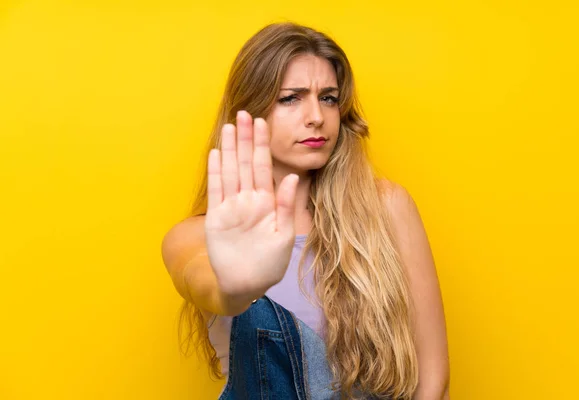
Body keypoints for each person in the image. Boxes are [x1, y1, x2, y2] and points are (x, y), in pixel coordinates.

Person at [161, 22, 450, 399]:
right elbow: (204, 283)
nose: (316, 115)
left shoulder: (388, 209)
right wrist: (235, 288)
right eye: (291, 98)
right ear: (250, 110)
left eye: (328, 98)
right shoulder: (194, 236)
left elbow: (434, 383)